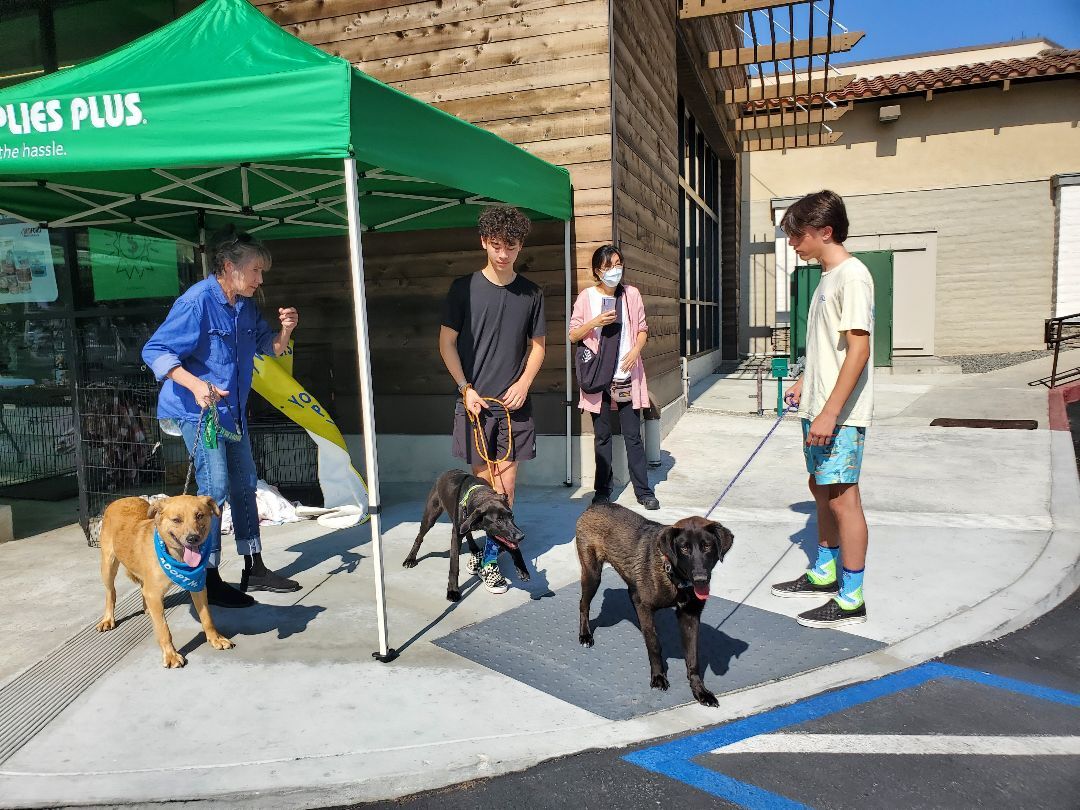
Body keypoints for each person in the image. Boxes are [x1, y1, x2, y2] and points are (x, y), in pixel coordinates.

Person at [142, 226, 302, 608]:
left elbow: (271, 348)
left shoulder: (245, 304)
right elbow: (156, 350)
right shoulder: (195, 302)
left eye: (262, 272)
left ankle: (254, 566)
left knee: (245, 483)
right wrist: (197, 385)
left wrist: (286, 330)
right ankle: (206, 576)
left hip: (231, 413)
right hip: (197, 411)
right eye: (255, 271)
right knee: (214, 489)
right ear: (229, 267)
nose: (260, 279)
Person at [770, 190, 874, 628]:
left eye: (798, 235)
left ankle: (852, 599)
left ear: (824, 232)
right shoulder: (828, 278)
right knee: (820, 486)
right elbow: (827, 351)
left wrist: (831, 411)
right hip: (819, 405)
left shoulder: (853, 277)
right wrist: (804, 382)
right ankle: (826, 572)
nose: (794, 243)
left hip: (841, 414)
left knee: (844, 498)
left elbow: (858, 350)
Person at [439, 205, 546, 595]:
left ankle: (489, 559)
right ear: (484, 241)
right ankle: (482, 546)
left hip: (514, 407)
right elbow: (446, 343)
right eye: (496, 245)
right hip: (474, 404)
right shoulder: (462, 288)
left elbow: (538, 347)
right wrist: (464, 388)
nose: (503, 254)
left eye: (511, 246)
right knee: (483, 487)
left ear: (520, 247)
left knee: (508, 485)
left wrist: (525, 383)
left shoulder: (531, 293)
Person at [568, 245, 659, 510]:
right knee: (603, 437)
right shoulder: (586, 297)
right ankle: (602, 491)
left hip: (627, 374)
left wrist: (634, 352)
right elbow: (573, 335)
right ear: (597, 271)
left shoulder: (631, 294)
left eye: (618, 264)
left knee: (633, 435)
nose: (614, 271)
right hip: (599, 377)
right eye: (608, 266)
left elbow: (642, 329)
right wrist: (595, 321)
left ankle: (644, 491)